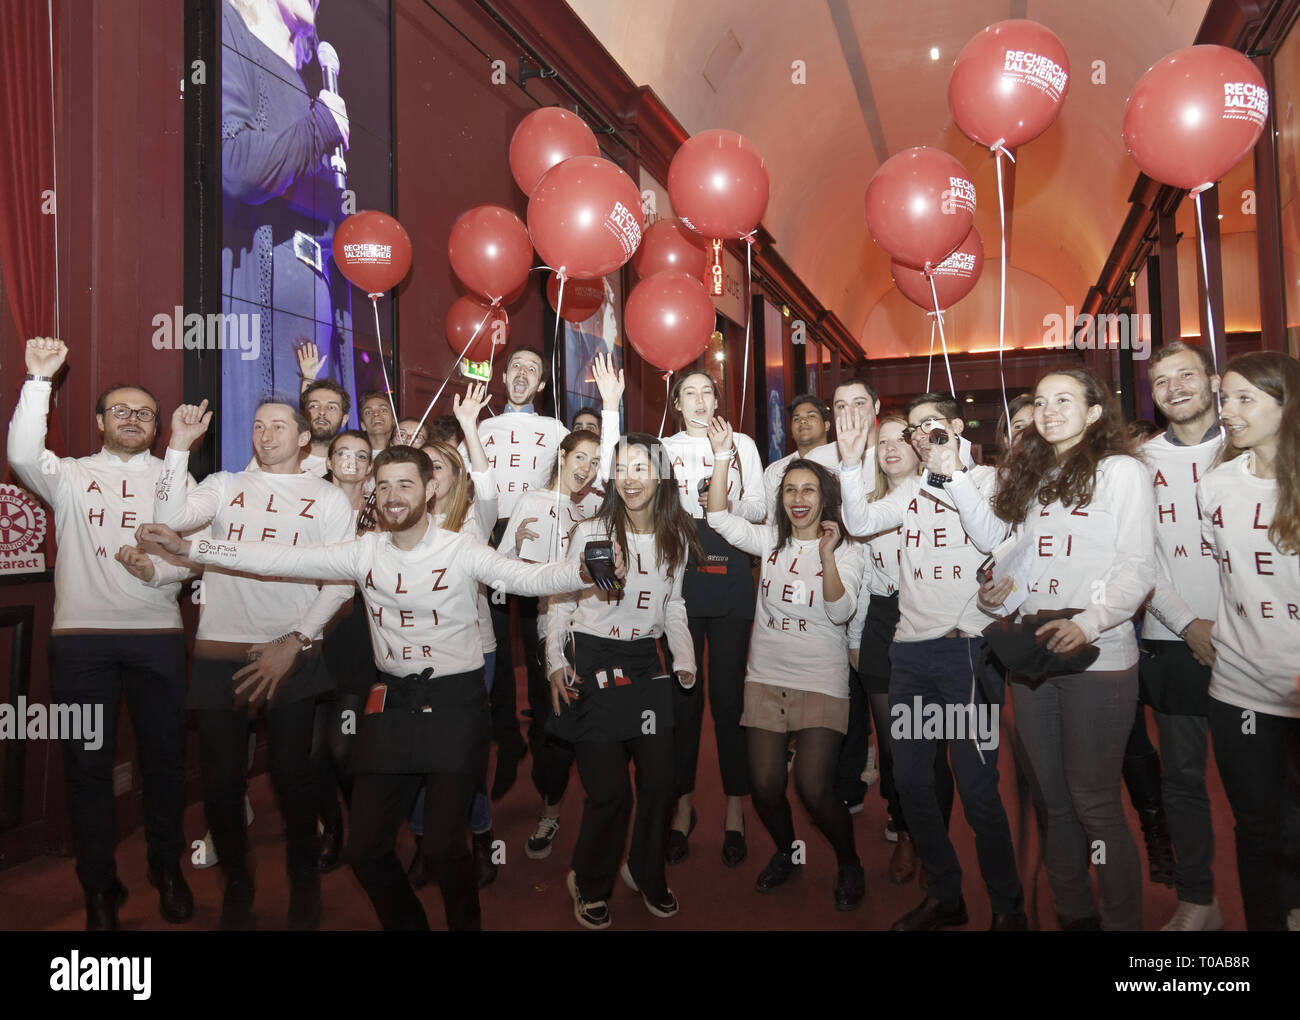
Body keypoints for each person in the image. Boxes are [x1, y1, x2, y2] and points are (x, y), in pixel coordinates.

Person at [143, 444, 612, 931]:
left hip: (456, 705)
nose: (392, 496)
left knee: (444, 846)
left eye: (405, 484)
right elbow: (278, 556)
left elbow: (528, 576)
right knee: (364, 849)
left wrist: (580, 570)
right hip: (392, 704)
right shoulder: (364, 551)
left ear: (431, 490)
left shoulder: (462, 550)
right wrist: (192, 549)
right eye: (383, 485)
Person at [946, 369, 1154, 931]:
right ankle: (1074, 916)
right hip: (1035, 651)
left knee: (1095, 803)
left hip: (1099, 655)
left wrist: (1090, 623)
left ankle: (1121, 925)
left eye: (1065, 399)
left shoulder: (1122, 472)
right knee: (1052, 801)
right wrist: (1000, 593)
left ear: (1093, 412)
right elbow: (1031, 568)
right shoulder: (1035, 476)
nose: (1050, 409)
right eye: (1041, 401)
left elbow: (1136, 566)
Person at [6, 338, 195, 931]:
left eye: (145, 413)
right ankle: (98, 890)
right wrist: (39, 382)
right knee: (85, 767)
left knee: (165, 762)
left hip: (158, 638)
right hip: (80, 642)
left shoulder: (177, 474)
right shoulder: (68, 475)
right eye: (122, 411)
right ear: (99, 421)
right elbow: (20, 454)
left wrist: (158, 572)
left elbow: (191, 557)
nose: (134, 420)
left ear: (157, 425)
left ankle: (167, 868)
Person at [149, 397, 355, 930]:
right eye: (258, 425)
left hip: (290, 652)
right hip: (221, 650)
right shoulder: (222, 484)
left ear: (305, 438)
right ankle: (238, 885)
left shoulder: (329, 498)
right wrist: (177, 448)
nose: (265, 435)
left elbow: (340, 580)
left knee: (294, 778)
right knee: (219, 783)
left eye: (279, 426)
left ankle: (304, 886)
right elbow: (169, 521)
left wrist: (297, 640)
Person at [836, 392, 1025, 931]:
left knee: (977, 789)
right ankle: (947, 895)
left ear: (957, 427)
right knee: (913, 783)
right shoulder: (912, 490)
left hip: (966, 649)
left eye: (930, 425)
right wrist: (851, 464)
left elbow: (992, 539)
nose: (919, 435)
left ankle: (1009, 907)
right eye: (912, 429)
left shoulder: (986, 480)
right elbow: (860, 520)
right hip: (911, 651)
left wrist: (953, 470)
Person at [594, 354, 761, 867]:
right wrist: (611, 408)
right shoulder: (663, 449)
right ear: (676, 402)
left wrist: (720, 493)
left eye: (708, 393)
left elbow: (755, 508)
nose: (700, 401)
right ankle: (683, 807)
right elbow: (616, 483)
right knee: (684, 698)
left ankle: (735, 808)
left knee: (731, 701)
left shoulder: (743, 443)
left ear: (718, 399)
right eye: (689, 393)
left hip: (730, 569)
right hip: (678, 572)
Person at [704, 418, 867, 909]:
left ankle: (849, 860)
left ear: (825, 499)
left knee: (814, 788)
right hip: (767, 676)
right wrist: (718, 456)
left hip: (821, 678)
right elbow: (717, 519)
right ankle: (787, 852)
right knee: (765, 787)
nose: (799, 497)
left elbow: (841, 611)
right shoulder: (770, 539)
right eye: (791, 489)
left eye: (809, 490)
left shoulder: (849, 550)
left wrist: (827, 555)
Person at [546, 433, 698, 929]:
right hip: (589, 659)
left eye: (641, 467)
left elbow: (673, 606)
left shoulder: (677, 534)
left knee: (659, 783)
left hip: (645, 663)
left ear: (661, 476)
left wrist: (684, 657)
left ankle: (644, 869)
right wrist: (552, 660)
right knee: (611, 791)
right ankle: (588, 881)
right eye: (623, 468)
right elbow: (561, 601)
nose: (630, 478)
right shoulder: (592, 528)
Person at [220, 0, 356, 471]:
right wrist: (320, 128)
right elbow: (236, 168)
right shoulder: (229, 27)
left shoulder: (303, 78)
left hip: (311, 316)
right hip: (259, 313)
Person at [1198, 351, 1300, 931]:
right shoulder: (1215, 487)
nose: (1228, 412)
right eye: (1226, 399)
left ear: (1286, 407)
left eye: (1245, 399)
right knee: (1257, 830)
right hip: (1239, 690)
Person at [844, 415, 953, 886]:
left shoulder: (944, 493)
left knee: (933, 748)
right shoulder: (865, 506)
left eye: (899, 439)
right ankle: (905, 826)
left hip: (934, 620)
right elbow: (865, 582)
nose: (890, 448)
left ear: (918, 445)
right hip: (882, 623)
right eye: (880, 441)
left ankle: (932, 842)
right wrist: (855, 639)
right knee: (895, 745)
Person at [1139, 341, 1224, 930]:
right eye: (1162, 380)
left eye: (1186, 375)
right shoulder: (1138, 464)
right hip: (1174, 641)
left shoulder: (1254, 448)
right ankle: (1199, 899)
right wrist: (1189, 625)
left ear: (1213, 381)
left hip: (1262, 642)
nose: (1174, 388)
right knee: (1183, 783)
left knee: (1272, 784)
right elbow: (1140, 562)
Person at [405, 384, 500, 888]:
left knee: (461, 752)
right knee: (419, 752)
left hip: (471, 653)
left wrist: (467, 426)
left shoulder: (473, 521)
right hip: (410, 658)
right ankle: (424, 841)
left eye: (437, 466)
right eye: (421, 468)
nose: (428, 475)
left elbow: (488, 486)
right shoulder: (395, 518)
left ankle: (479, 835)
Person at [501, 430, 604, 860]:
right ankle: (551, 808)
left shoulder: (598, 507)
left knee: (598, 721)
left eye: (595, 461)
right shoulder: (529, 503)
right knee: (553, 721)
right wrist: (523, 559)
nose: (586, 468)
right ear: (562, 456)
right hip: (546, 621)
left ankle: (603, 811)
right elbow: (502, 570)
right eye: (581, 457)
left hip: (596, 623)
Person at [479, 346, 570, 800]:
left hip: (539, 540)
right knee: (491, 643)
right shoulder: (482, 426)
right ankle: (508, 740)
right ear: (505, 375)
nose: (522, 373)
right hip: (492, 540)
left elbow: (577, 479)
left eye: (532, 369)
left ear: (541, 385)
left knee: (539, 646)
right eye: (515, 364)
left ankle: (544, 743)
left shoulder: (555, 430)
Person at [313, 428, 376, 872]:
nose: (351, 462)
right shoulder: (304, 506)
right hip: (308, 638)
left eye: (361, 455)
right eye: (343, 454)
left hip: (358, 639)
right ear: (329, 461)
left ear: (370, 466)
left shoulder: (383, 511)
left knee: (342, 747)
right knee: (308, 753)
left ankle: (365, 826)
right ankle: (331, 825)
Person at [761, 394, 839, 522]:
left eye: (811, 416)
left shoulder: (844, 458)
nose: (802, 421)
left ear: (827, 425)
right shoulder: (775, 471)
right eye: (796, 419)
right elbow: (772, 522)